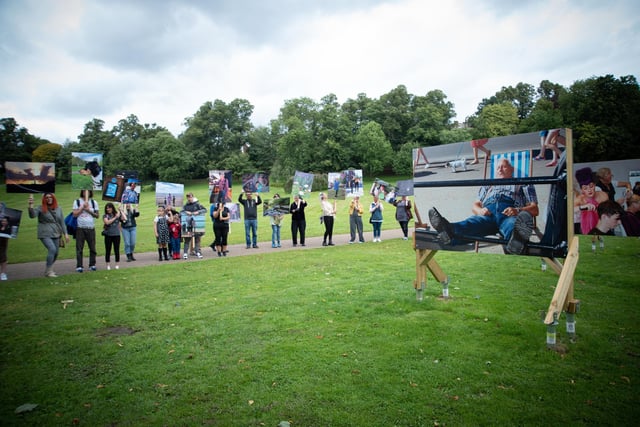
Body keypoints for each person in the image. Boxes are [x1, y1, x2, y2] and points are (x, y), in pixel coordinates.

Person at [428, 157, 539, 255]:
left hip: (509, 214)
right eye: (498, 167)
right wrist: (480, 211)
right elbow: (475, 206)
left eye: (504, 167)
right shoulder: (488, 184)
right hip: (487, 215)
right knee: (470, 223)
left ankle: (516, 243)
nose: (499, 169)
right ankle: (448, 230)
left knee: (513, 226)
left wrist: (517, 210)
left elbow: (535, 209)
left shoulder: (523, 182)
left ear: (512, 169)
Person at [28, 193, 70, 277]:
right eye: (47, 197)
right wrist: (30, 206)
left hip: (56, 232)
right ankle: (49, 271)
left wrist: (65, 234)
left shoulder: (58, 208)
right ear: (44, 199)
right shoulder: (40, 208)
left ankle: (49, 269)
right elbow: (32, 215)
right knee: (52, 249)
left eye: (51, 197)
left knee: (56, 252)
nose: (49, 199)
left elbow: (62, 222)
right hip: (45, 232)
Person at [574, 167, 609, 235]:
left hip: (602, 225)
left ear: (595, 185)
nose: (589, 190)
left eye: (591, 186)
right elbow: (570, 209)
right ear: (581, 190)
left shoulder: (603, 195)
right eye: (585, 188)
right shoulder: (580, 199)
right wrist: (583, 207)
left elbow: (608, 210)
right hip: (586, 227)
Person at [72, 190, 99, 272]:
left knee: (92, 248)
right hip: (80, 228)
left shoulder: (94, 202)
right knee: (79, 248)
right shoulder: (77, 201)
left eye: (88, 191)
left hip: (90, 227)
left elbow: (97, 215)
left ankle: (92, 264)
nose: (86, 193)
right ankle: (79, 266)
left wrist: (88, 210)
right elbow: (74, 214)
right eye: (84, 191)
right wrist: (82, 208)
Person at [181, 192, 206, 258]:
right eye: (188, 197)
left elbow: (205, 210)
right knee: (187, 239)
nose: (189, 198)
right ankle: (185, 253)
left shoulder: (197, 205)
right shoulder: (185, 206)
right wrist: (186, 212)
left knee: (197, 239)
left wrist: (198, 212)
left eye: (190, 197)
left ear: (193, 197)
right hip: (188, 225)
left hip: (196, 225)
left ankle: (198, 252)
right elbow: (181, 212)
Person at [102, 202, 122, 270]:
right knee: (108, 250)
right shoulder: (105, 216)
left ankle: (117, 264)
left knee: (116, 250)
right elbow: (107, 222)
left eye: (109, 208)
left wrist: (120, 210)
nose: (108, 209)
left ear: (112, 208)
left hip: (116, 235)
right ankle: (108, 264)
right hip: (108, 235)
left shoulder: (117, 214)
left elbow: (124, 219)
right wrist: (115, 217)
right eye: (107, 208)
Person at [0, 215, 10, 280]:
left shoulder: (8, 228)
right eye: (2, 221)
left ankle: (3, 273)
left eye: (5, 221)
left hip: (3, 241)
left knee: (3, 256)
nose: (3, 222)